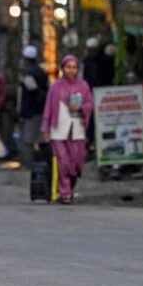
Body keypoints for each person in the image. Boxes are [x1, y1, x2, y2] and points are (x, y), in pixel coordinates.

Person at [41, 55, 94, 204]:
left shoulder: (83, 86)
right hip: (59, 129)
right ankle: (65, 193)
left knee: (76, 162)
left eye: (74, 67)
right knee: (63, 162)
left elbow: (90, 104)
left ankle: (69, 188)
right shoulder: (55, 87)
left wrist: (80, 107)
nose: (71, 70)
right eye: (68, 67)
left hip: (77, 130)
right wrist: (45, 128)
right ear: (62, 68)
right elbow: (48, 108)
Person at [17, 45, 49, 168]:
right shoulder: (42, 72)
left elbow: (33, 89)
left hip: (30, 112)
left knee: (28, 140)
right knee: (40, 138)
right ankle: (44, 162)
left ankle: (28, 164)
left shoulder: (28, 73)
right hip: (40, 111)